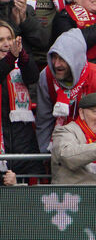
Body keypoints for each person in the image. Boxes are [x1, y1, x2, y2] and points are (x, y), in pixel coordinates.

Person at [35, 29, 96, 153]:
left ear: (75, 59)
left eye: (63, 59)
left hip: (93, 148)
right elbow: (44, 121)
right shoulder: (46, 76)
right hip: (59, 148)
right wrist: (46, 155)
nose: (56, 64)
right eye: (54, 57)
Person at [0, 20, 43, 183]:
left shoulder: (18, 63)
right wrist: (11, 58)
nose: (6, 44)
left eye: (9, 38)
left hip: (22, 137)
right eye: (1, 40)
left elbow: (32, 76)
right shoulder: (9, 62)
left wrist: (22, 57)